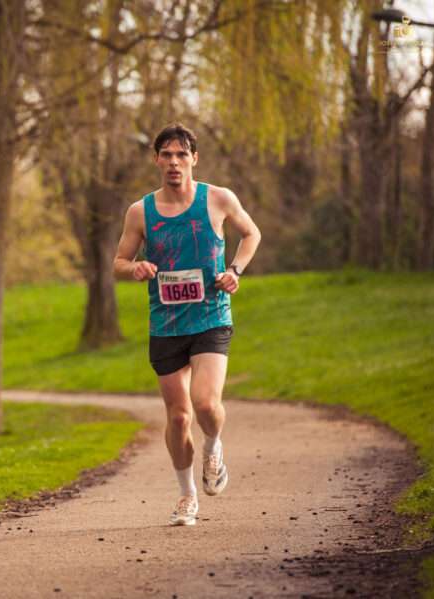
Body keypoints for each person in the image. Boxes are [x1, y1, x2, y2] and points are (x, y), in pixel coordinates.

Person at [112, 123, 261, 526]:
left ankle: (213, 447)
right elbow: (118, 263)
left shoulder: (218, 199)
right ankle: (186, 496)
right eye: (167, 154)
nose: (174, 162)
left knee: (206, 405)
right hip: (166, 324)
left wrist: (235, 271)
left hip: (211, 316)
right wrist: (136, 266)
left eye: (182, 154)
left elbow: (251, 234)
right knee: (178, 418)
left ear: (194, 159)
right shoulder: (140, 211)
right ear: (157, 160)